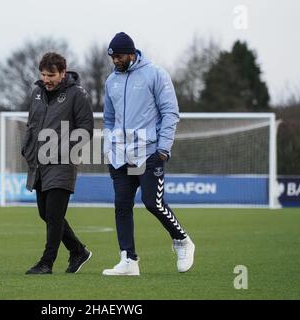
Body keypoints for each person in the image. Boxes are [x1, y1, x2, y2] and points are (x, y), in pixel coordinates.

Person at [102, 32, 195, 276]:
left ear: (132, 54)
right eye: (112, 57)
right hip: (120, 156)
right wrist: (109, 148)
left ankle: (182, 240)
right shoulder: (111, 81)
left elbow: (170, 113)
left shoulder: (155, 74)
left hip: (148, 152)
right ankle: (129, 261)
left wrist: (163, 149)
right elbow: (109, 119)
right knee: (121, 206)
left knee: (151, 202)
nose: (115, 61)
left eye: (119, 56)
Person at [22, 52, 93, 275]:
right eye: (43, 74)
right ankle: (78, 250)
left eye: (51, 74)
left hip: (63, 162)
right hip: (39, 163)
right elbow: (31, 126)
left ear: (63, 73)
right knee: (45, 213)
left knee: (53, 215)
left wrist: (63, 150)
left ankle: (47, 262)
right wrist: (28, 148)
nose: (46, 79)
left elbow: (86, 129)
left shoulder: (77, 94)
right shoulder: (36, 93)